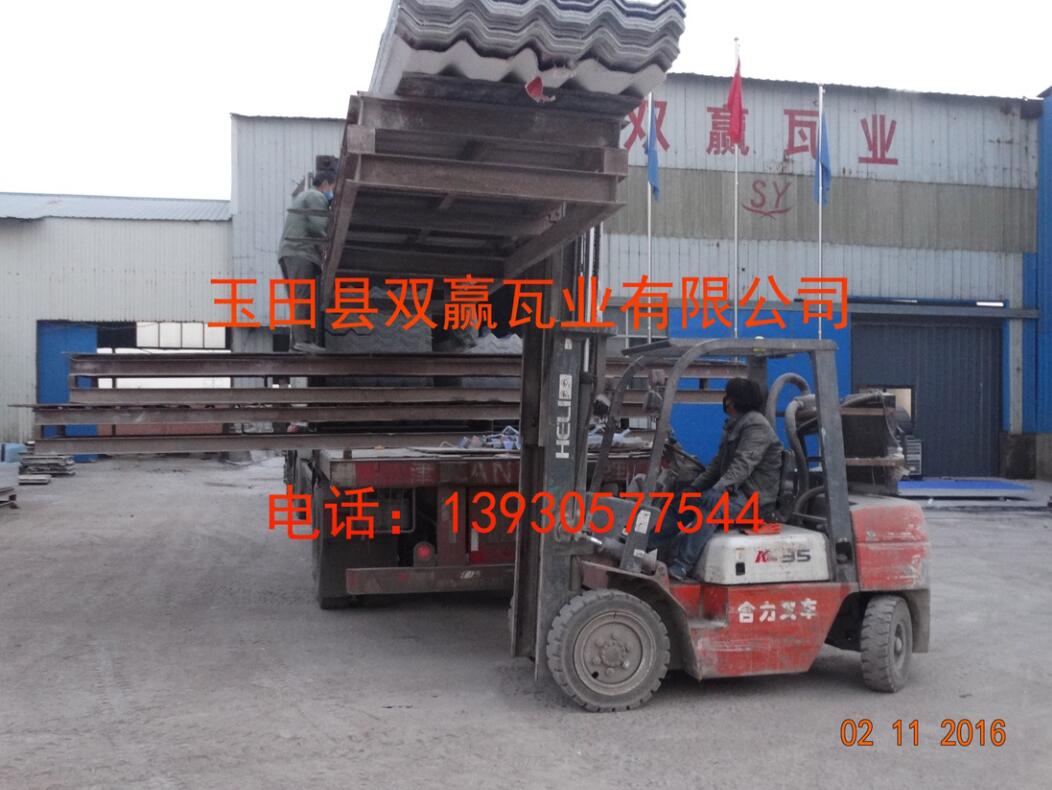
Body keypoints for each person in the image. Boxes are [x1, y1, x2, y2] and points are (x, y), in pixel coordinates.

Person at [652, 377, 784, 581]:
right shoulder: (735, 425)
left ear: (735, 400)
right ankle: (647, 545)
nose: (726, 400)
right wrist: (694, 489)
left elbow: (743, 463)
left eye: (728, 396)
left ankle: (682, 565)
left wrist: (719, 489)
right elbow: (716, 465)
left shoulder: (756, 426)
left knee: (711, 507)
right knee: (681, 501)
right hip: (737, 494)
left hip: (753, 500)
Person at [277, 170, 336, 350]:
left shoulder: (304, 197)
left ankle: (299, 343)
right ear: (325, 184)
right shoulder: (316, 196)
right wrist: (333, 244)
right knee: (303, 298)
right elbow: (319, 227)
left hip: (291, 253)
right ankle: (302, 341)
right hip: (300, 253)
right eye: (333, 188)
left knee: (298, 298)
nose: (333, 193)